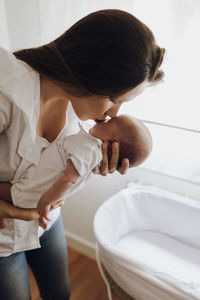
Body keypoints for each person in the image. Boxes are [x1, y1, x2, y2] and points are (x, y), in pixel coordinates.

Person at [0, 9, 165, 300]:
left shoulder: (81, 118)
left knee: (61, 291)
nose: (113, 113)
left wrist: (88, 170)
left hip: (47, 222)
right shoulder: (7, 91)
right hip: (2, 240)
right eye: (115, 99)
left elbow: (59, 171)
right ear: (91, 71)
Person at [0, 114, 152, 232]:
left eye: (110, 122)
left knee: (3, 190)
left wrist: (45, 202)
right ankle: (5, 216)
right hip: (36, 193)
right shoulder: (90, 145)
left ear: (113, 141)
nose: (105, 118)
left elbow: (69, 180)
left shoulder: (89, 149)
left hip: (31, 193)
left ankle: (4, 216)